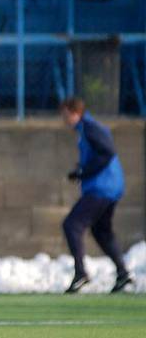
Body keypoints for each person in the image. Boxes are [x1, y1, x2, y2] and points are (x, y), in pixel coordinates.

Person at [59, 97, 133, 294]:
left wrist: (85, 173)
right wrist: (81, 171)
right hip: (109, 187)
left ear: (74, 112)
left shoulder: (90, 127)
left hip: (102, 188)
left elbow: (107, 152)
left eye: (65, 115)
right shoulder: (85, 130)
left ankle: (81, 273)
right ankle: (123, 273)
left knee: (72, 224)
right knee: (102, 232)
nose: (64, 120)